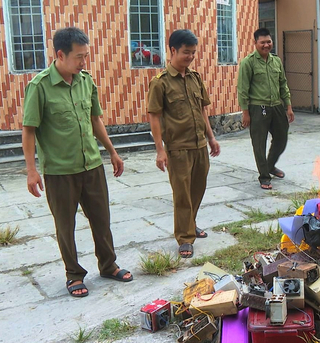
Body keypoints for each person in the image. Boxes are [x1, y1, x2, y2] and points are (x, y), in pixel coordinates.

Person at [21, 27, 133, 298]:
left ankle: (108, 265)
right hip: (60, 171)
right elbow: (29, 130)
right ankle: (74, 274)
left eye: (86, 56)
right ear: (60, 55)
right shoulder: (39, 87)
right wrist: (32, 171)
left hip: (91, 166)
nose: (84, 62)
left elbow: (96, 120)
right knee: (65, 225)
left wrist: (112, 152)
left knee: (101, 220)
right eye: (79, 57)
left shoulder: (86, 81)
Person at [146, 29, 220, 259]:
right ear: (173, 50)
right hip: (178, 147)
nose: (189, 57)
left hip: (199, 144)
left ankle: (190, 224)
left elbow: (202, 110)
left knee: (197, 189)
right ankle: (185, 238)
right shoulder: (160, 83)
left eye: (193, 53)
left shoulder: (195, 78)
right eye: (186, 52)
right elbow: (154, 117)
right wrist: (160, 150)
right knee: (182, 195)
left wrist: (211, 137)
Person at [237, 27, 294, 190]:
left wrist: (288, 106)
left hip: (276, 106)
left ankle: (270, 165)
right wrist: (245, 112)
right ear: (255, 43)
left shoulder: (276, 61)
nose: (266, 45)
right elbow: (242, 89)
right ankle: (264, 176)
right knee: (259, 143)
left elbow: (283, 83)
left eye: (268, 41)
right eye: (262, 42)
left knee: (282, 138)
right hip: (257, 108)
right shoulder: (248, 62)